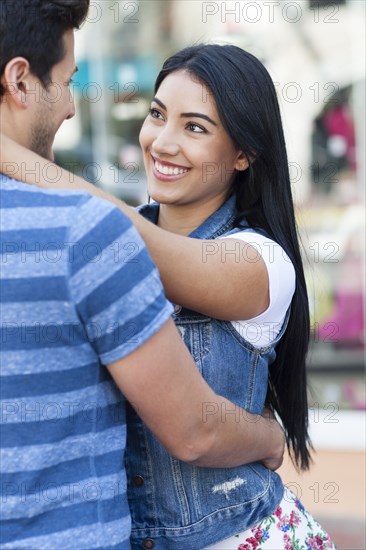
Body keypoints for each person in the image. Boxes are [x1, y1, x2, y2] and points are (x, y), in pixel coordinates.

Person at [0, 40, 337, 550]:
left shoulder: (259, 263)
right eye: (157, 115)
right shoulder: (115, 235)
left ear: (244, 153)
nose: (162, 141)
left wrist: (9, 150)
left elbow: (133, 241)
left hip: (243, 537)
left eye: (195, 127)